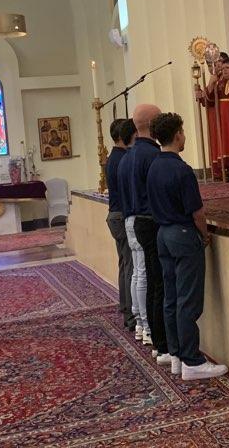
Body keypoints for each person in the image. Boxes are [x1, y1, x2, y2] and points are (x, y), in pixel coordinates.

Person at [147, 112, 229, 381]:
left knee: (170, 298)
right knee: (188, 301)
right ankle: (192, 360)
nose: (185, 136)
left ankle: (176, 356)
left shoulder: (154, 166)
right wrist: (204, 236)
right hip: (182, 235)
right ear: (177, 135)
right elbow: (197, 213)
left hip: (162, 234)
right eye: (182, 131)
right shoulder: (182, 170)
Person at [116, 104, 168, 357]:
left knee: (138, 272)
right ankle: (148, 326)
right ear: (152, 124)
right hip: (147, 219)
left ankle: (141, 323)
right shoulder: (152, 155)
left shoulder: (128, 156)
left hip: (131, 218)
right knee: (147, 275)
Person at [105, 118, 137, 332]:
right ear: (121, 136)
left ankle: (126, 307)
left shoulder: (112, 158)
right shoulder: (123, 159)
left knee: (124, 264)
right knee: (131, 267)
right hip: (121, 215)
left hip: (114, 215)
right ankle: (130, 314)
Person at [195, 57, 229, 180]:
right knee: (226, 142)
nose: (224, 71)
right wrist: (211, 83)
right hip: (222, 118)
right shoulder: (220, 82)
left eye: (227, 68)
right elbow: (210, 99)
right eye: (223, 69)